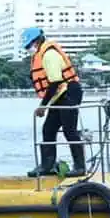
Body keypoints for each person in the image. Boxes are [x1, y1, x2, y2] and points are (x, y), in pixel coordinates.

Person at [23, 27, 85, 178]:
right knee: (48, 129)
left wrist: (43, 106)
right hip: (60, 94)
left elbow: (55, 81)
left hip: (69, 92)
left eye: (29, 45)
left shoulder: (49, 54)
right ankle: (47, 165)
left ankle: (80, 167)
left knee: (69, 130)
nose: (29, 49)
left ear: (37, 41)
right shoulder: (41, 54)